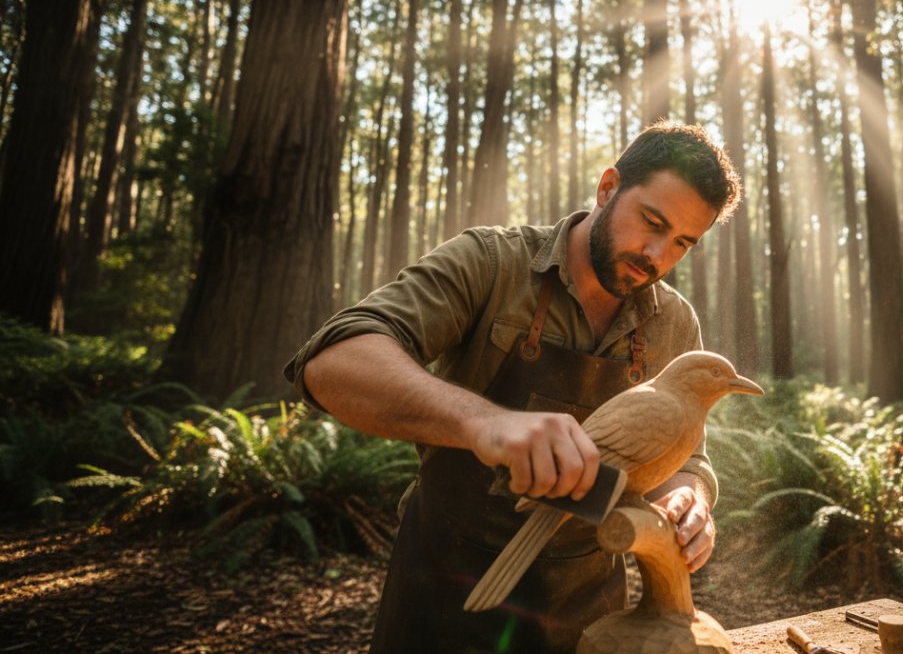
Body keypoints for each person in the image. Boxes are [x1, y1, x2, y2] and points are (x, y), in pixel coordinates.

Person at [283, 121, 743, 654]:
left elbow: (691, 459)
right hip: (445, 594)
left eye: (683, 242)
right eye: (652, 222)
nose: (658, 255)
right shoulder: (491, 263)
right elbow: (333, 360)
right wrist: (485, 423)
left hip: (588, 607)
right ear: (608, 188)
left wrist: (687, 500)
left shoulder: (674, 324)